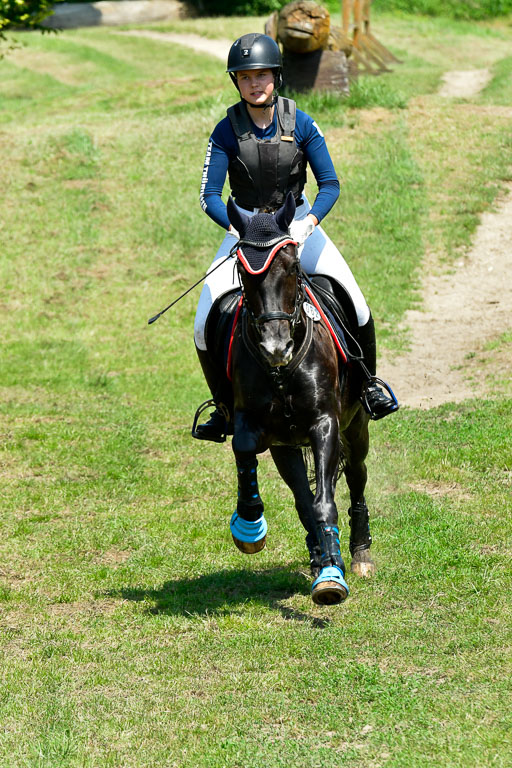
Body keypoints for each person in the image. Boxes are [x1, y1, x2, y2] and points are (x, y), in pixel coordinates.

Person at [193, 32, 398, 442]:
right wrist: (239, 228)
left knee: (356, 302)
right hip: (247, 231)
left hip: (298, 224)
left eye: (263, 74)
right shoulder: (225, 130)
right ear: (236, 81)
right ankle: (222, 408)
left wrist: (309, 223)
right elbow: (208, 196)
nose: (255, 83)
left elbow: (331, 184)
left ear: (276, 76)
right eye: (246, 76)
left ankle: (368, 387)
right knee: (203, 320)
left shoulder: (301, 121)